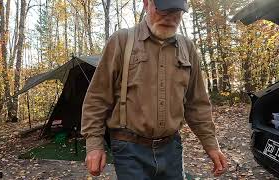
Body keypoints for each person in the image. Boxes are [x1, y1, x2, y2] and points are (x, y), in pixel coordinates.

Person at [81, 0, 228, 179]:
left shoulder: (187, 48)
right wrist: (94, 145)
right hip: (129, 150)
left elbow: (197, 104)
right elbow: (97, 97)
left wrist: (211, 145)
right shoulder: (121, 41)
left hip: (171, 148)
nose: (170, 18)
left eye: (176, 12)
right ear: (146, 3)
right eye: (163, 9)